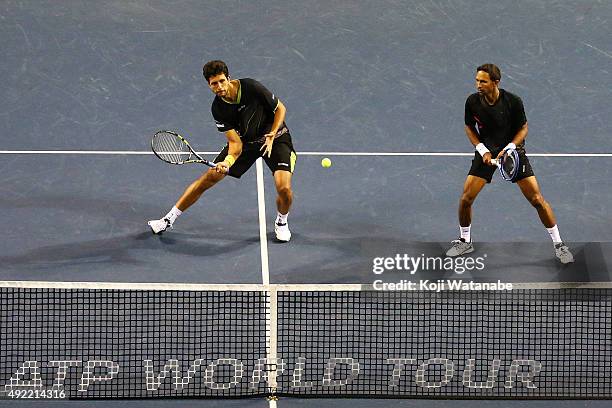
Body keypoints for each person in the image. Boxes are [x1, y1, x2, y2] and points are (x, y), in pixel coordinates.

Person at [148, 60, 296, 242]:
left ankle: (281, 221)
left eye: (221, 81)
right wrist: (227, 162)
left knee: (284, 189)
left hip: (276, 138)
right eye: (213, 84)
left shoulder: (251, 87)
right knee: (208, 178)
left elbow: (280, 108)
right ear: (208, 85)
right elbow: (235, 144)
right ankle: (168, 219)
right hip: (246, 143)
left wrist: (272, 134)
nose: (219, 87)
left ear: (228, 78)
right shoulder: (218, 109)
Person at [446, 63, 573, 264]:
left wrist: (511, 147)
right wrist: (482, 149)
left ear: (496, 82)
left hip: (512, 151)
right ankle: (465, 240)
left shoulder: (513, 101)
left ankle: (559, 244)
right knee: (465, 199)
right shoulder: (472, 102)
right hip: (486, 150)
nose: (478, 84)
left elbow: (523, 128)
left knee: (537, 200)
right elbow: (469, 127)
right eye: (477, 80)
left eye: (483, 81)